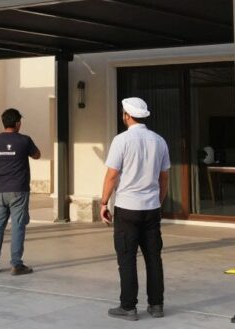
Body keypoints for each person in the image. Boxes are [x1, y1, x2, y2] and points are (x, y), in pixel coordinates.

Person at [100, 97, 170, 322]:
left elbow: (112, 175)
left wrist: (103, 202)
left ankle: (128, 307)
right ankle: (156, 305)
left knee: (127, 258)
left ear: (126, 115)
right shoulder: (159, 141)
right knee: (153, 257)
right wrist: (158, 200)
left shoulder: (121, 140)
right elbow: (164, 177)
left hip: (127, 208)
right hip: (151, 208)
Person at [0, 108, 40, 275]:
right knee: (17, 227)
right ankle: (16, 264)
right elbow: (37, 155)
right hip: (18, 190)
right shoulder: (24, 140)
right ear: (18, 123)